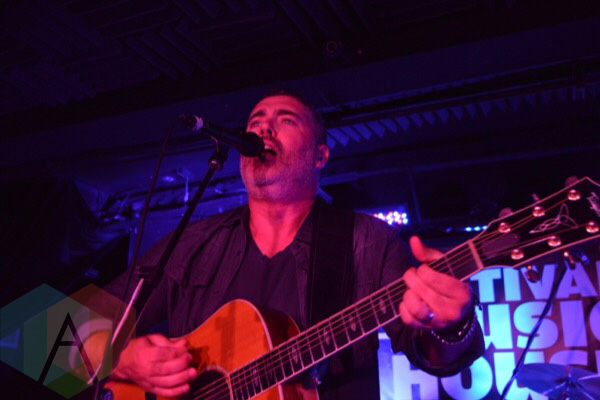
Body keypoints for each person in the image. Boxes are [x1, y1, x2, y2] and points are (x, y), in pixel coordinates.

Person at [85, 90, 484, 399]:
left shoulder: (368, 241)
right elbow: (50, 335)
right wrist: (120, 360)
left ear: (319, 156)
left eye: (285, 121)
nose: (263, 130)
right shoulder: (193, 244)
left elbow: (436, 356)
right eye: (255, 122)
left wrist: (453, 325)